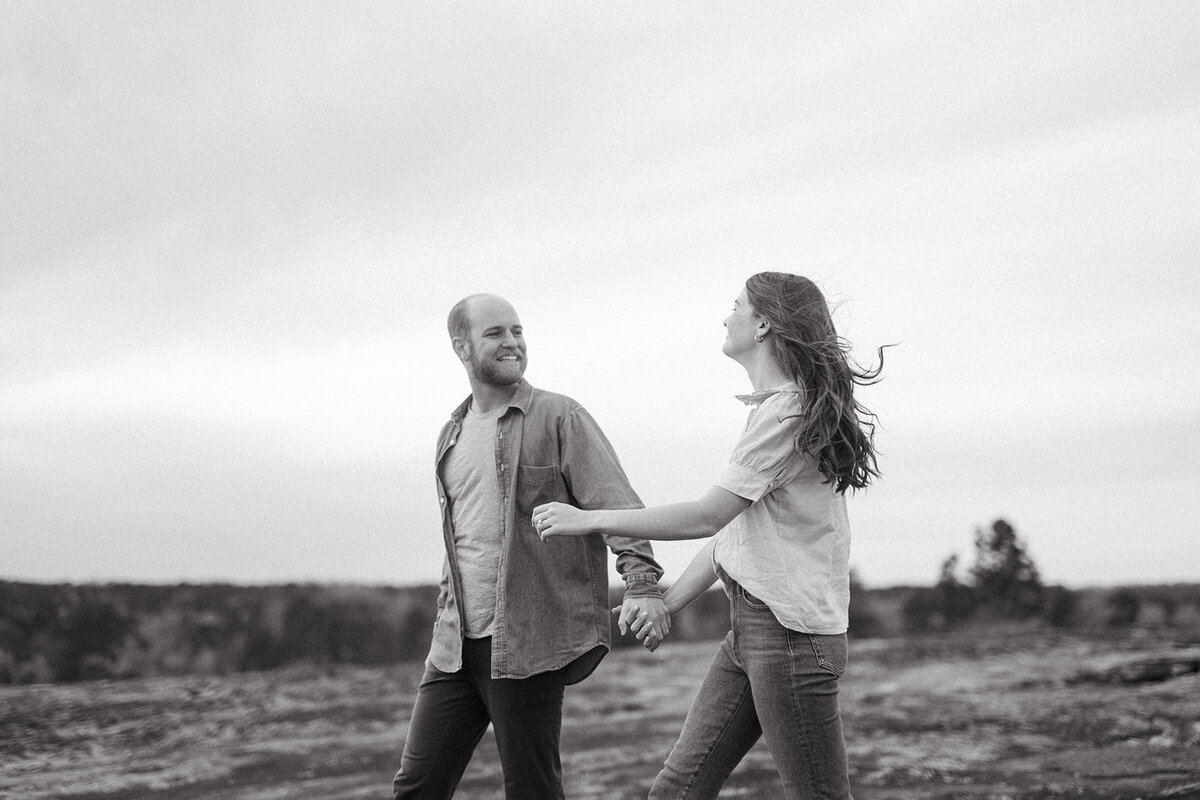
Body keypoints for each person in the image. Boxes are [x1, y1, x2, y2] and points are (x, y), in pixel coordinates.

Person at [534, 272, 884, 799]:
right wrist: (667, 602)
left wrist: (588, 518)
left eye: (736, 306)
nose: (726, 316)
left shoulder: (788, 412)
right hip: (753, 631)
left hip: (790, 639)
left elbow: (705, 517)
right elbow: (733, 535)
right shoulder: (776, 410)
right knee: (676, 790)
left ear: (763, 323)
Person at [392, 293, 670, 800]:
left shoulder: (560, 416)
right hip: (455, 646)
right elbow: (463, 540)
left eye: (517, 331)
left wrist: (641, 584)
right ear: (462, 347)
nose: (512, 342)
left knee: (532, 789)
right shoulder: (450, 435)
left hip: (527, 639)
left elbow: (617, 504)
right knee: (416, 787)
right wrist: (445, 613)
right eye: (495, 332)